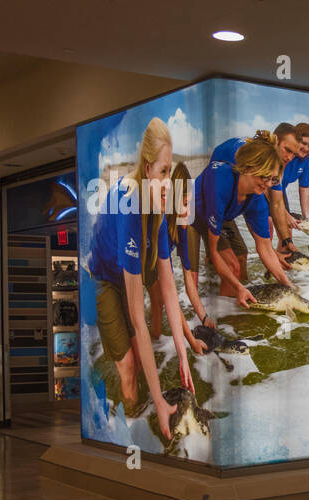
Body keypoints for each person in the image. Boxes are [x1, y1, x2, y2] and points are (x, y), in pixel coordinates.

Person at [89, 118, 198, 439]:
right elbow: (138, 319)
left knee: (140, 353)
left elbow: (169, 289)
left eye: (170, 172)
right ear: (148, 168)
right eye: (164, 172)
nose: (168, 182)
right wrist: (161, 401)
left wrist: (182, 354)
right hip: (102, 279)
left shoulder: (158, 210)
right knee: (128, 367)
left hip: (126, 273)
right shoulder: (129, 205)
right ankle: (131, 439)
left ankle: (139, 423)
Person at [195, 130, 295, 306]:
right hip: (192, 213)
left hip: (223, 210)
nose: (267, 184)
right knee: (231, 264)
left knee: (241, 256)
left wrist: (289, 286)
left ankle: (237, 303)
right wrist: (238, 286)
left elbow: (264, 247)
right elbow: (214, 250)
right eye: (263, 176)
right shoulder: (220, 181)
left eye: (271, 179)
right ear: (248, 167)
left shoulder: (257, 199)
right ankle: (225, 319)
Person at [208, 126, 301, 283]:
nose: (290, 157)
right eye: (287, 150)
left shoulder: (272, 169)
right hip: (211, 201)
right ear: (276, 140)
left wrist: (286, 241)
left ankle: (239, 299)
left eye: (294, 154)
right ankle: (216, 290)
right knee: (230, 261)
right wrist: (270, 251)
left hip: (229, 204)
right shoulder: (247, 156)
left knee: (241, 257)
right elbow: (253, 205)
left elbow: (277, 203)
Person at [149, 162, 211, 346]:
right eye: (185, 204)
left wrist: (205, 317)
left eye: (191, 205)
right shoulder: (161, 229)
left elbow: (188, 280)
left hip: (153, 260)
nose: (189, 212)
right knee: (158, 302)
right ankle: (155, 348)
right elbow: (172, 298)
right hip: (140, 259)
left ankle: (155, 346)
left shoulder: (182, 229)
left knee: (160, 303)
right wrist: (192, 341)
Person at [267, 122, 309, 264]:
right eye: (304, 143)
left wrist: (306, 217)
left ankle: (283, 260)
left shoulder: (307, 161)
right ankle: (268, 258)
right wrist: (285, 214)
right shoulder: (286, 154)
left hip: (280, 191)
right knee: (269, 223)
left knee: (287, 228)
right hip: (267, 187)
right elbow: (269, 184)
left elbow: (304, 188)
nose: (307, 149)